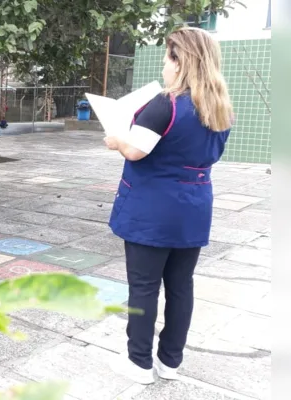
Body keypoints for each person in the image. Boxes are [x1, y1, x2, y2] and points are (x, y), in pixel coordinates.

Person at [103, 27, 233, 385]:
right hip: (194, 205)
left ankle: (139, 362)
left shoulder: (167, 103)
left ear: (181, 61)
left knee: (144, 286)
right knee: (181, 285)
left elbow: (135, 150)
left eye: (167, 57)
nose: (163, 64)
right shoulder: (219, 106)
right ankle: (169, 361)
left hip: (153, 207)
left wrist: (116, 140)